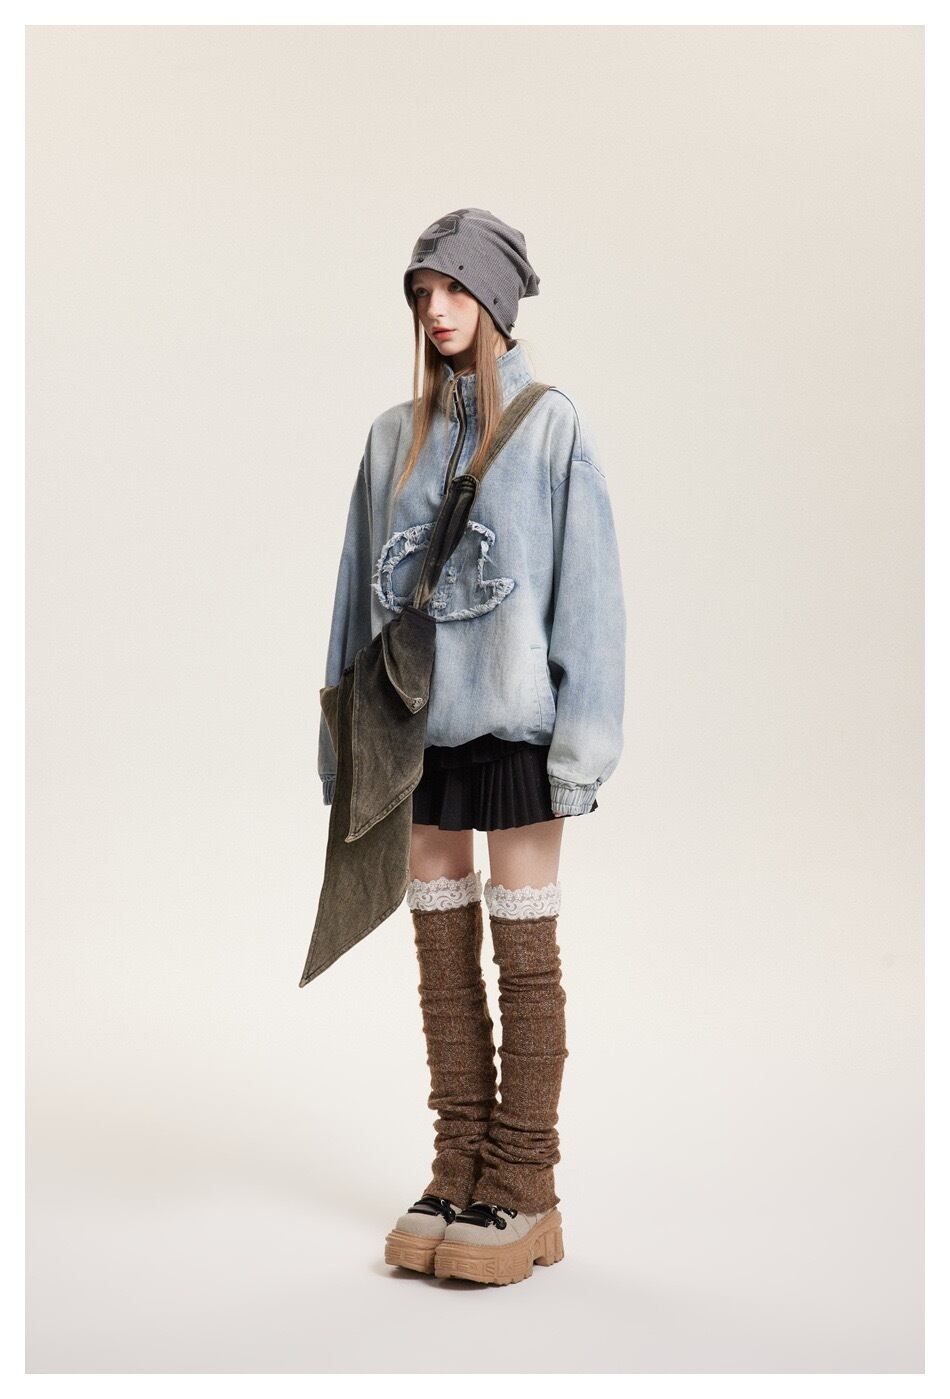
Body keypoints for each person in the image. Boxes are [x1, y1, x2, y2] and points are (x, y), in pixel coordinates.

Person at [317, 208, 626, 1286]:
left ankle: (525, 1182)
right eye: (421, 292)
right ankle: (458, 1164)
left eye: (452, 288)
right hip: (414, 735)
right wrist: (345, 752)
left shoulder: (549, 427)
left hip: (518, 736)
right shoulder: (387, 439)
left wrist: (580, 752)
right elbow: (351, 604)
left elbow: (591, 601)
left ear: (494, 297)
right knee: (441, 953)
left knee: (524, 952)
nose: (434, 309)